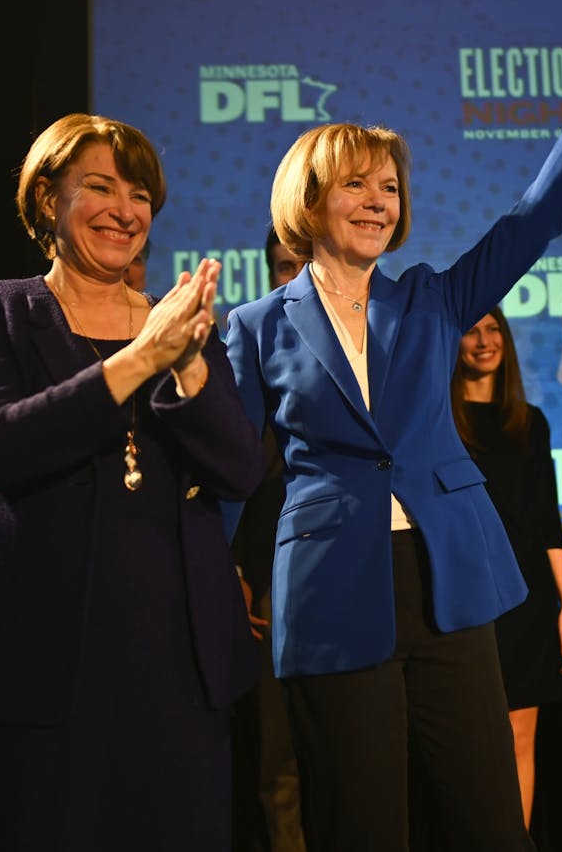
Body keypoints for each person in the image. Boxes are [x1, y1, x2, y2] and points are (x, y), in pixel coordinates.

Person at [225, 0, 562, 852]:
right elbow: (230, 468)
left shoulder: (433, 301)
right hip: (332, 587)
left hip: (450, 582)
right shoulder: (256, 326)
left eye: (390, 187)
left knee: (490, 823)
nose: (378, 200)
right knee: (360, 824)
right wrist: (222, 571)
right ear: (307, 197)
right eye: (355, 184)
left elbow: (537, 213)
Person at [0, 113, 264, 851]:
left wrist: (187, 362)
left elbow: (240, 467)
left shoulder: (185, 325)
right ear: (47, 201)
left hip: (175, 667)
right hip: (26, 662)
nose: (124, 210)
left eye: (139, 194)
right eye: (98, 187)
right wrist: (139, 357)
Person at [450, 306, 562, 830]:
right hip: (463, 598)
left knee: (521, 738)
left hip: (528, 602)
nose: (485, 341)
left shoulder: (531, 422)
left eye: (494, 329)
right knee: (466, 744)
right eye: (472, 331)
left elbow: (546, 522)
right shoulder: (436, 421)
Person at [231, 226, 308, 852]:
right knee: (279, 760)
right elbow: (225, 482)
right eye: (283, 267)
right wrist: (230, 567)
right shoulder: (247, 357)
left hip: (359, 582)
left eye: (302, 263)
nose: (295, 278)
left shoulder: (376, 351)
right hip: (269, 592)